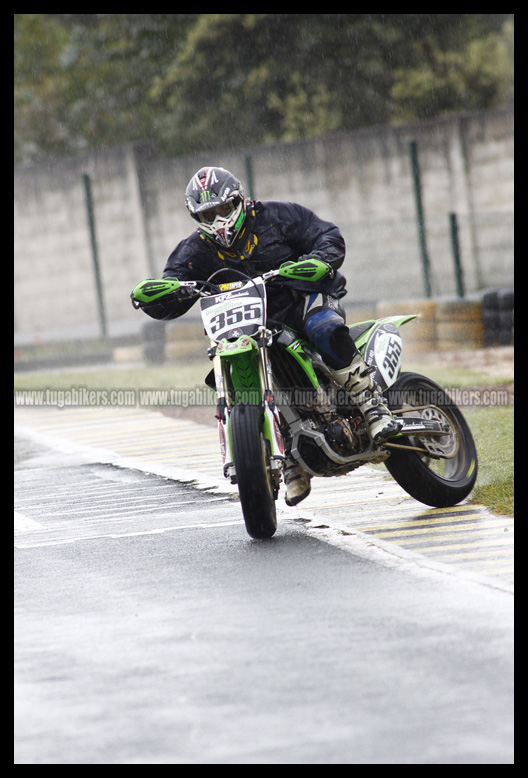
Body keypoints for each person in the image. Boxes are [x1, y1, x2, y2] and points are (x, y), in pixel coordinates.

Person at [132, 166, 397, 506]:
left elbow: (326, 235)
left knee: (322, 326)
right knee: (219, 374)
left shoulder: (279, 216)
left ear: (239, 200)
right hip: (248, 326)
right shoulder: (193, 250)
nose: (218, 221)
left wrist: (317, 260)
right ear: (195, 216)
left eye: (223, 210)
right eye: (207, 214)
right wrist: (160, 295)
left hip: (304, 301)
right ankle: (284, 456)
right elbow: (172, 287)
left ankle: (372, 406)